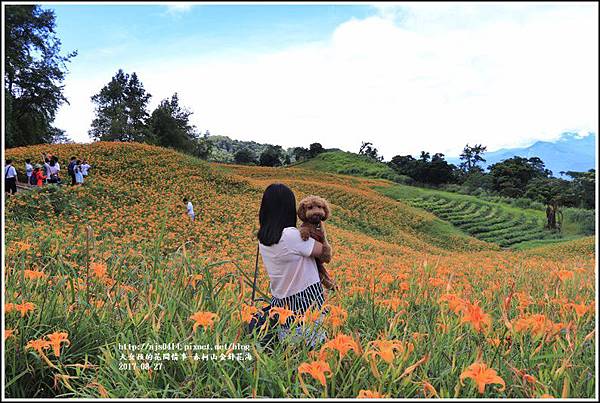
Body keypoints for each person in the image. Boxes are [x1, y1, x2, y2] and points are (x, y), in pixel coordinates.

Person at [257, 183, 332, 348]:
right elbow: (325, 255)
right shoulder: (292, 236)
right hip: (306, 303)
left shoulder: (263, 238)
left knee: (290, 348)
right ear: (290, 209)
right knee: (314, 350)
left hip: (282, 303)